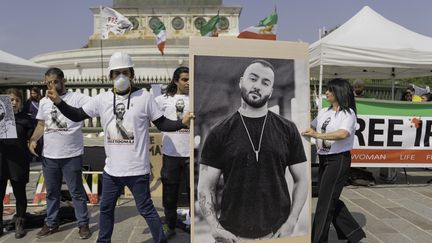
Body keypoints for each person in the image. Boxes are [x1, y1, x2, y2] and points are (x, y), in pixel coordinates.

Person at [45, 52, 192, 243]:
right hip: (111, 170)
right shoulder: (102, 99)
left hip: (137, 169)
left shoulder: (145, 97)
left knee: (146, 209)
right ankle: (103, 241)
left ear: (132, 74)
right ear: (110, 76)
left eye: (124, 72)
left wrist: (182, 122)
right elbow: (76, 114)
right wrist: (58, 101)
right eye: (116, 73)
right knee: (106, 209)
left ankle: (160, 240)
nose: (120, 76)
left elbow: (163, 124)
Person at [197, 59, 308, 242]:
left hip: (278, 232)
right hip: (233, 235)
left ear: (271, 91)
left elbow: (302, 179)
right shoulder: (219, 132)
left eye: (265, 83)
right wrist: (214, 226)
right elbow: (205, 185)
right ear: (241, 82)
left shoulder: (288, 129)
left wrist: (291, 221)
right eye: (253, 79)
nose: (258, 86)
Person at [28, 67, 92, 239]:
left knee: (76, 191)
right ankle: (51, 223)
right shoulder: (43, 102)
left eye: (55, 81)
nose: (52, 85)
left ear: (63, 81)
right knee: (51, 192)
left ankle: (83, 224)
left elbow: (97, 106)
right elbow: (41, 125)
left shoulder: (77, 98)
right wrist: (33, 139)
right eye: (48, 82)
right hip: (50, 155)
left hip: (71, 154)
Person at [303, 78, 366, 243]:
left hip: (339, 160)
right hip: (324, 159)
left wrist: (317, 135)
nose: (327, 93)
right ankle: (353, 232)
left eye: (330, 90)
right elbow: (311, 126)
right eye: (327, 90)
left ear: (339, 92)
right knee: (329, 197)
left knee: (324, 201)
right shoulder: (324, 111)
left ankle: (317, 239)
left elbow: (342, 134)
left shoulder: (348, 114)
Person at [155, 66, 190, 238]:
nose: (188, 82)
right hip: (171, 155)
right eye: (184, 79)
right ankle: (170, 225)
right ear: (176, 81)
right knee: (170, 193)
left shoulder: (197, 98)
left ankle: (195, 224)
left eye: (190, 79)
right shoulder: (162, 100)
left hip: (193, 155)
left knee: (195, 192)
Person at [0, 88, 34, 238]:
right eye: (11, 100)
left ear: (21, 102)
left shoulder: (26, 119)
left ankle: (20, 222)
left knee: (20, 195)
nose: (14, 103)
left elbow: (33, 139)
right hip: (1, 162)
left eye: (17, 100)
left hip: (19, 162)